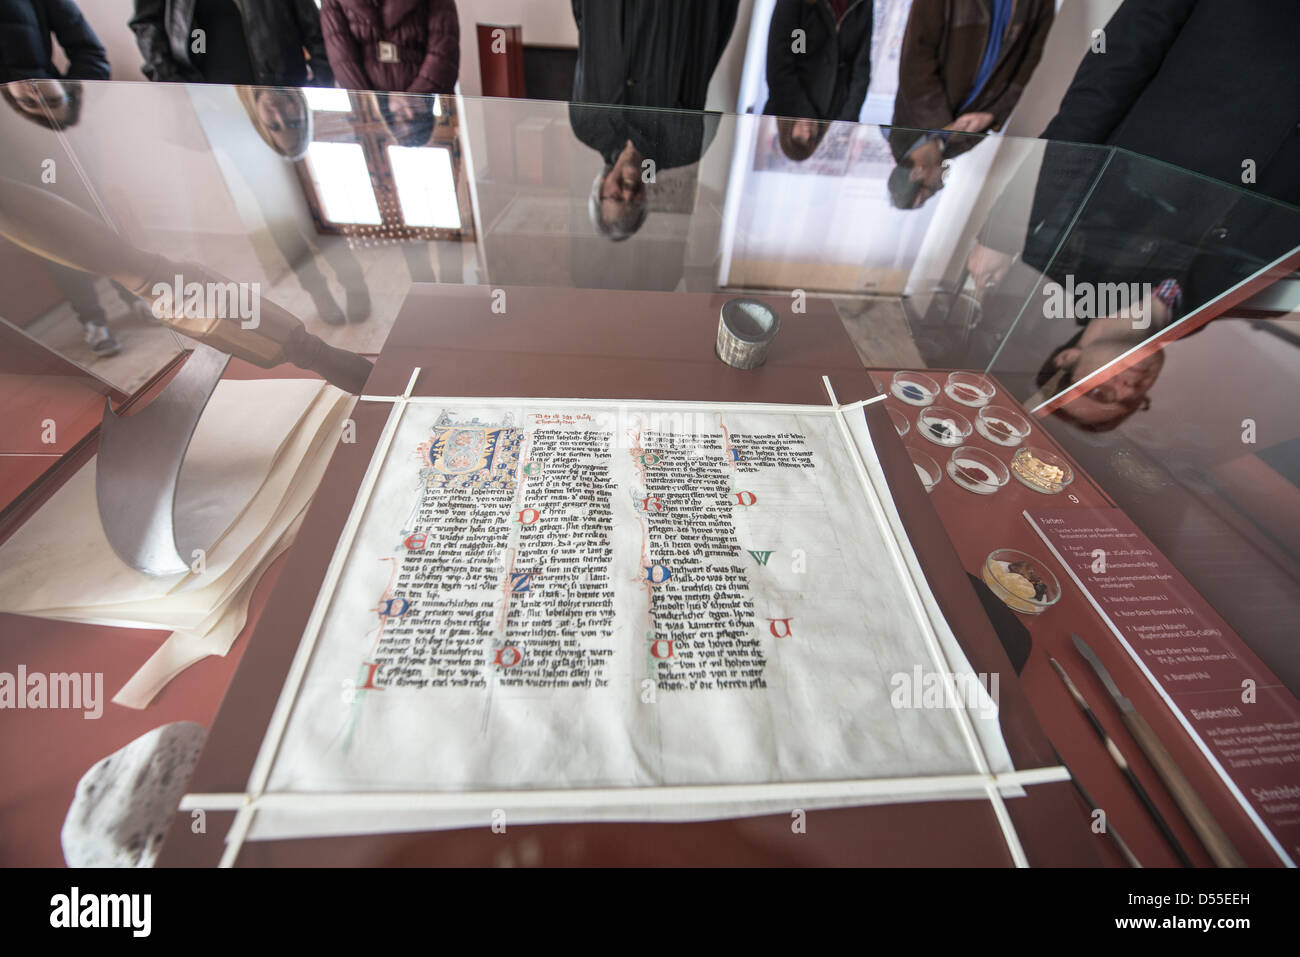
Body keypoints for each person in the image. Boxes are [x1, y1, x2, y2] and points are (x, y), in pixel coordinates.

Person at [0, 0, 143, 357]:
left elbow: (89, 51)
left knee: (95, 212)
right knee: (49, 230)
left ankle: (134, 293)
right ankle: (92, 320)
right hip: (6, 148)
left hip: (57, 129)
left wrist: (67, 105)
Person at [569, 0, 740, 241]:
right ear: (646, 200)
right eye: (634, 204)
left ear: (600, 189)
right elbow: (710, 42)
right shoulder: (684, 148)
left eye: (616, 198)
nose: (628, 194)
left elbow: (584, 22)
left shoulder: (586, 125)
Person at [887, 0, 1053, 208]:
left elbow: (916, 59)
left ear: (916, 172)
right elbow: (1029, 58)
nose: (940, 186)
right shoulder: (959, 144)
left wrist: (943, 124)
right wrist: (993, 115)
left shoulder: (909, 117)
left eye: (930, 189)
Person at [763, 0, 873, 160]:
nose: (807, 133)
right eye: (812, 139)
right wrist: (846, 122)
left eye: (799, 137)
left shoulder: (784, 89)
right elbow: (860, 69)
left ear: (786, 131)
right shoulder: (840, 110)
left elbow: (782, 63)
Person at [129, 0, 333, 86]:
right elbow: (147, 24)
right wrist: (171, 83)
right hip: (208, 94)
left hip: (283, 85)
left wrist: (322, 80)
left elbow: (312, 23)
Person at [320, 0, 459, 96]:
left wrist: (415, 99)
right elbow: (341, 56)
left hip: (425, 106)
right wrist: (371, 104)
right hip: (369, 114)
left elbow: (444, 48)